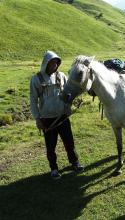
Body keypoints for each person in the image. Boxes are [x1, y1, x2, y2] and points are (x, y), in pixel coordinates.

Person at [30, 51, 84, 179]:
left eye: (56, 63)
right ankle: (54, 168)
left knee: (69, 142)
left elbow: (66, 94)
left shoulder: (62, 76)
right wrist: (37, 119)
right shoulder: (36, 79)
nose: (54, 65)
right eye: (52, 63)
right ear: (46, 63)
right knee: (51, 145)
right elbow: (33, 100)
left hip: (62, 116)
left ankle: (75, 162)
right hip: (47, 119)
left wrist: (69, 105)